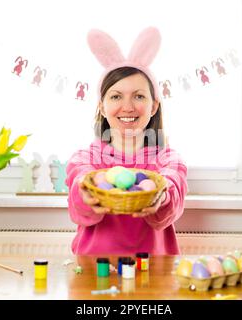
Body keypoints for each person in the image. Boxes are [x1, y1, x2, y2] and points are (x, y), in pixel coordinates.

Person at [65, 27, 188, 255]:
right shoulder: (85, 159)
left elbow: (172, 188)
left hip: (153, 272)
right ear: (102, 106)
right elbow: (78, 190)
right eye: (116, 96)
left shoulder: (168, 159)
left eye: (139, 96)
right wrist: (85, 192)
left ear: (154, 106)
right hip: (95, 270)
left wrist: (162, 197)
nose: (128, 107)